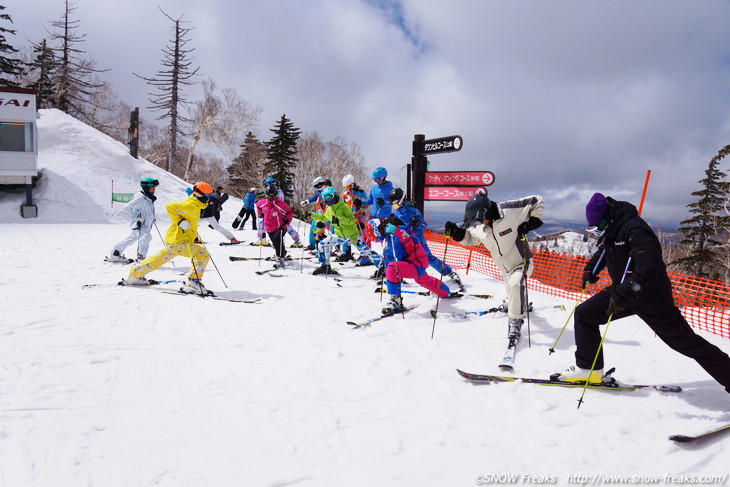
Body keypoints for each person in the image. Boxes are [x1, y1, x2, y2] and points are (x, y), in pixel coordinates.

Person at [551, 193, 730, 391]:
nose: (599, 230)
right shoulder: (614, 226)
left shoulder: (635, 229)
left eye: (598, 226)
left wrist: (623, 293)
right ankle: (588, 370)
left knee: (687, 343)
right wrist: (590, 269)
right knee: (585, 315)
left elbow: (649, 266)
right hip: (625, 290)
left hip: (650, 296)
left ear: (606, 217)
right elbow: (605, 249)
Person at [444, 190, 544, 342]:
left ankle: (515, 321)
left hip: (521, 262)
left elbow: (537, 200)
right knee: (512, 286)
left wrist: (533, 222)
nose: (477, 225)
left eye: (478, 221)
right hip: (505, 268)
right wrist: (457, 234)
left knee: (515, 285)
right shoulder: (481, 226)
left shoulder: (509, 210)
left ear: (486, 212)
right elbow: (470, 238)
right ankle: (515, 304)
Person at [125, 182, 215, 294]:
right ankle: (193, 283)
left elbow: (185, 207)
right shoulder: (191, 206)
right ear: (201, 196)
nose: (210, 198)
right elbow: (170, 207)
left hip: (179, 240)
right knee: (202, 253)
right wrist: (180, 221)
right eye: (209, 196)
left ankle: (135, 274)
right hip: (178, 240)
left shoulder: (195, 204)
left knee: (159, 259)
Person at [375, 216, 458, 315]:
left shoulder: (403, 231)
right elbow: (388, 251)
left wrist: (397, 231)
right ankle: (445, 292)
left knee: (393, 268)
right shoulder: (390, 237)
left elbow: (410, 241)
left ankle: (395, 300)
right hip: (411, 265)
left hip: (416, 265)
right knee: (425, 280)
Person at [388, 187, 463, 289]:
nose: (395, 207)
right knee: (401, 258)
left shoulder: (413, 210)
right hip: (405, 240)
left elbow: (424, 224)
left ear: (402, 200)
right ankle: (397, 277)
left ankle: (449, 272)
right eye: (393, 205)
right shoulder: (399, 211)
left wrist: (416, 223)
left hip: (418, 240)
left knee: (428, 258)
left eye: (396, 204)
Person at [309, 186, 383, 276]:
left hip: (352, 236)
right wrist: (311, 214)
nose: (329, 200)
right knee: (323, 244)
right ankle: (325, 266)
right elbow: (324, 217)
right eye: (326, 198)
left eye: (330, 196)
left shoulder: (344, 207)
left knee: (365, 251)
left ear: (335, 195)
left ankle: (382, 266)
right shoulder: (330, 209)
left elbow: (351, 220)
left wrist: (339, 220)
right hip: (340, 236)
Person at [108, 177, 159, 262]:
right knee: (145, 237)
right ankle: (141, 259)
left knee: (132, 238)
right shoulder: (141, 198)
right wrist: (138, 219)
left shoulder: (148, 198)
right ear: (146, 188)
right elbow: (127, 207)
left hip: (145, 224)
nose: (154, 189)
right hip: (139, 224)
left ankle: (115, 253)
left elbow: (146, 211)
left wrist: (152, 218)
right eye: (152, 187)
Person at [256, 184, 293, 269]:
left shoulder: (280, 204)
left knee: (277, 239)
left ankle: (280, 258)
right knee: (275, 243)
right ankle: (282, 252)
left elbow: (289, 212)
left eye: (274, 197)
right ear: (266, 196)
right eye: (270, 197)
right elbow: (258, 206)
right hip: (269, 227)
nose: (272, 199)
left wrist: (288, 219)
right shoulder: (262, 203)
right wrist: (260, 214)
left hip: (281, 225)